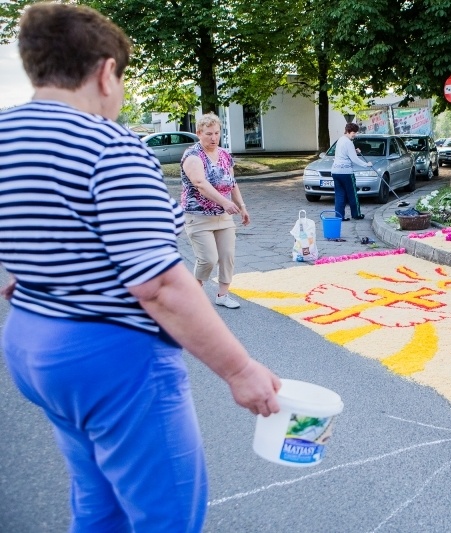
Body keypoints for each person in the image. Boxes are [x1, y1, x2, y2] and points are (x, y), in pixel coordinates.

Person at [0, 4, 281, 531]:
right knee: (165, 516)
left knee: (98, 502)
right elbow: (158, 286)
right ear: (106, 72)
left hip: (32, 343)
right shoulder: (110, 146)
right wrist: (240, 371)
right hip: (110, 357)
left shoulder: (6, 136)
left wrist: (33, 272)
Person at [181, 112, 249, 309]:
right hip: (198, 216)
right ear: (199, 133)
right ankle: (194, 292)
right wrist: (225, 203)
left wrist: (242, 206)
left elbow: (232, 182)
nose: (213, 138)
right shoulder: (193, 156)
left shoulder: (225, 155)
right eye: (209, 134)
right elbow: (200, 184)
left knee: (227, 256)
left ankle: (223, 295)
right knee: (208, 259)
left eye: (217, 133)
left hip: (223, 217)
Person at [331, 123, 371, 221]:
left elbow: (344, 153)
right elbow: (354, 159)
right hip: (346, 172)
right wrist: (367, 164)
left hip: (335, 171)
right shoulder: (349, 142)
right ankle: (356, 214)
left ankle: (339, 216)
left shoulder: (340, 140)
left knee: (339, 194)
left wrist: (354, 151)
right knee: (352, 194)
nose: (355, 135)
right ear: (348, 131)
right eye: (354, 133)